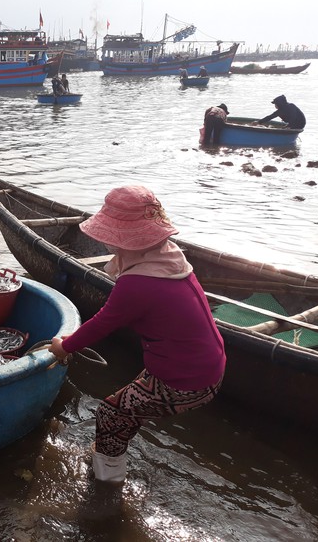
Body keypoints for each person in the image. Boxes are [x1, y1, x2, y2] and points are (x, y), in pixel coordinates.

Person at [48, 186, 225, 484]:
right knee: (126, 408)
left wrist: (65, 346)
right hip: (207, 365)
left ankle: (106, 480)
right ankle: (112, 449)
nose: (113, 246)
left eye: (116, 240)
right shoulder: (170, 258)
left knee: (110, 413)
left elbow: (103, 323)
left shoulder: (138, 283)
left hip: (184, 380)